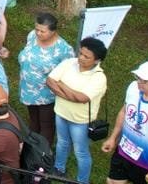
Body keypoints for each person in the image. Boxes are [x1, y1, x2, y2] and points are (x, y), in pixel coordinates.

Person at [48, 37, 109, 184]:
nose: (81, 58)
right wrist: (70, 95)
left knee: (81, 152)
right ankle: (59, 168)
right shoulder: (69, 63)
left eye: (86, 56)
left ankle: (82, 181)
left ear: (97, 60)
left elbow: (82, 98)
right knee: (62, 143)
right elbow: (50, 81)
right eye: (80, 53)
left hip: (80, 121)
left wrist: (61, 85)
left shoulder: (99, 78)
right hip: (61, 113)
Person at [16, 11, 73, 146]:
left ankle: (44, 154)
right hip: (28, 90)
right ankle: (33, 150)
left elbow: (68, 73)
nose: (38, 33)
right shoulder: (32, 36)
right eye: (37, 29)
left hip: (46, 95)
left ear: (53, 31)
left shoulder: (64, 49)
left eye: (43, 31)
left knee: (46, 125)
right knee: (33, 121)